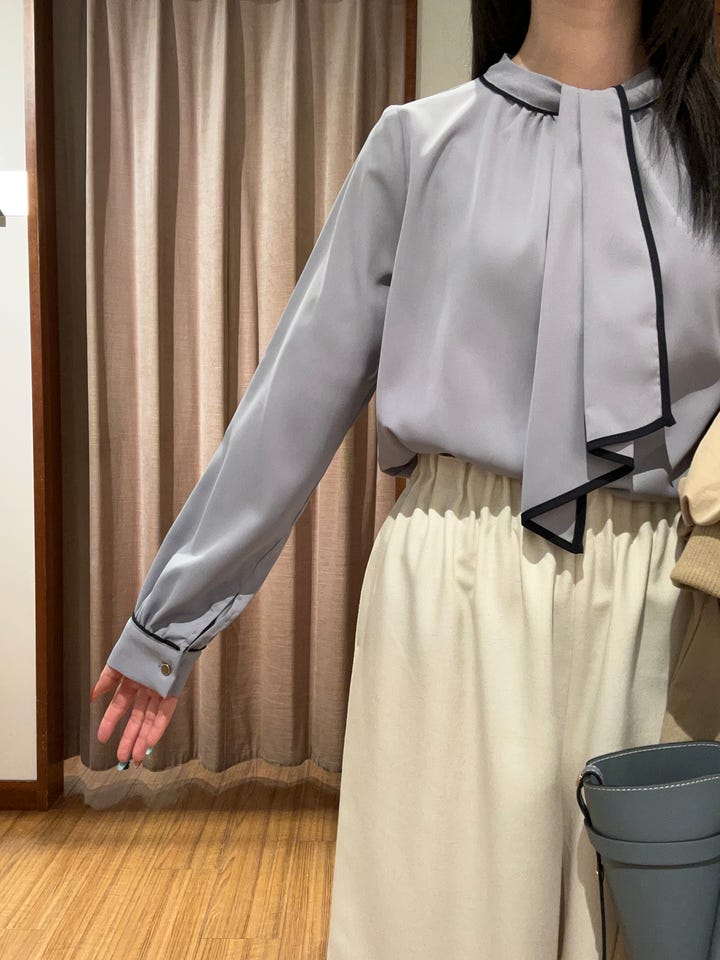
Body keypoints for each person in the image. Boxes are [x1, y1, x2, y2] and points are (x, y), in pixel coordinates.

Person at [90, 0, 720, 957]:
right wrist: (170, 619)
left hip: (666, 594)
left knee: (648, 928)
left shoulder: (708, 154)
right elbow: (295, 393)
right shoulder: (420, 144)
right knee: (441, 927)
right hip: (456, 583)